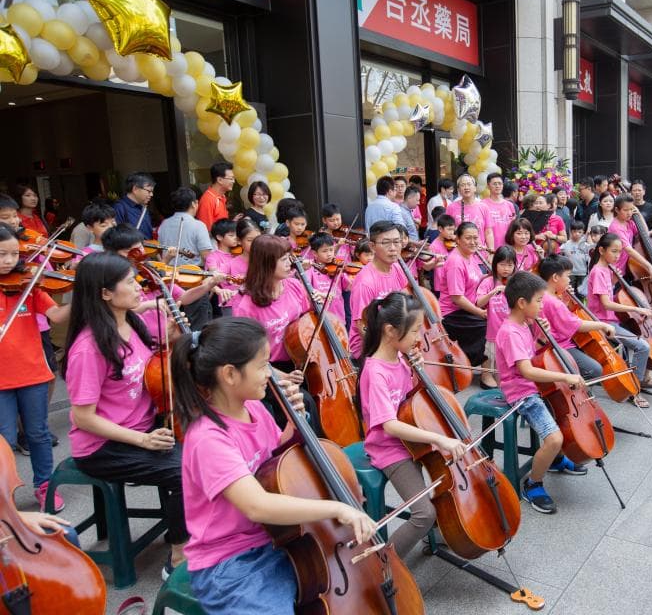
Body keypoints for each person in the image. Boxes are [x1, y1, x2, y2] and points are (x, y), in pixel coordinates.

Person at [171, 317, 375, 614]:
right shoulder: (208, 438)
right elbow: (257, 505)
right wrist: (337, 508)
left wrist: (294, 425)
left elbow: (273, 461)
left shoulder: (252, 407)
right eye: (262, 365)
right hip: (233, 563)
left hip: (277, 536)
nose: (271, 373)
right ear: (230, 374)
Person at [63, 252, 187, 577]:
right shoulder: (88, 349)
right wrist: (143, 440)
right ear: (105, 293)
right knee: (186, 470)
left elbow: (150, 371)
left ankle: (196, 531)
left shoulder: (131, 322)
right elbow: (83, 418)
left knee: (209, 449)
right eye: (130, 282)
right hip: (103, 447)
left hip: (142, 428)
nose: (138, 287)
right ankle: (178, 558)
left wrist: (173, 341)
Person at [358, 292, 465, 555]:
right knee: (423, 513)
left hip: (410, 442)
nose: (419, 337)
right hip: (389, 449)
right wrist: (438, 438)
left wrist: (418, 372)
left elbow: (409, 404)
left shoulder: (400, 358)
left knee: (444, 490)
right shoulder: (375, 371)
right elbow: (390, 425)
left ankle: (446, 529)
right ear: (391, 331)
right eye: (416, 330)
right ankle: (386, 565)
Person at [496, 272, 589, 514]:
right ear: (522, 303)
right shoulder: (510, 331)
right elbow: (526, 370)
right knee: (555, 438)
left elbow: (531, 355)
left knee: (562, 417)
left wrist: (539, 338)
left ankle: (555, 460)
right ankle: (532, 484)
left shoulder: (525, 325)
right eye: (539, 300)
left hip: (533, 387)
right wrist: (564, 376)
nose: (542, 305)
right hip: (522, 394)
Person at [0, 223, 71, 510]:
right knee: (3, 440)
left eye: (14, 254)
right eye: (2, 254)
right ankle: (6, 493)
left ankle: (44, 485)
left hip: (32, 374)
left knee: (38, 433)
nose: (9, 260)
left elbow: (56, 314)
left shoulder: (28, 286)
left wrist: (84, 295)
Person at [229, 235, 321, 432]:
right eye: (283, 259)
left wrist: (319, 304)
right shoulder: (246, 306)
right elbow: (250, 358)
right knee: (303, 402)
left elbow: (307, 321)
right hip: (268, 369)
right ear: (266, 264)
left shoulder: (294, 285)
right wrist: (283, 376)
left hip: (300, 359)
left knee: (318, 397)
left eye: (289, 257)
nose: (290, 263)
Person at [538, 254, 640, 402]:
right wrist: (603, 325)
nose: (569, 280)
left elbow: (560, 317)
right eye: (567, 276)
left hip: (559, 342)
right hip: (559, 346)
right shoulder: (553, 301)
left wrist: (566, 300)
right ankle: (573, 393)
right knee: (595, 369)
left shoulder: (547, 295)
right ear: (555, 278)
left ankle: (580, 392)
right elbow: (576, 324)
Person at [586, 233, 652, 405]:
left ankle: (639, 378)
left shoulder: (606, 270)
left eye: (619, 252)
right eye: (614, 252)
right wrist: (636, 308)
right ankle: (634, 389)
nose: (617, 256)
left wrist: (615, 278)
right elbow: (606, 304)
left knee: (640, 341)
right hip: (603, 323)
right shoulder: (599, 272)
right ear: (601, 250)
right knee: (642, 346)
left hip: (611, 320)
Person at [347, 221, 409, 358]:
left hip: (394, 339)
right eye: (386, 243)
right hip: (370, 348)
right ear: (372, 246)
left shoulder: (398, 269)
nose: (393, 248)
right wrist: (393, 348)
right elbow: (362, 326)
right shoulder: (365, 282)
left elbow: (406, 302)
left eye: (397, 242)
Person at [158, 187, 218, 328]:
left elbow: (162, 253)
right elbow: (207, 256)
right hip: (193, 278)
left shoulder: (164, 225)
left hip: (170, 280)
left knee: (179, 324)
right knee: (200, 323)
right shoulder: (198, 225)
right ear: (194, 203)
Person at [438, 222, 488, 366]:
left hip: (470, 305)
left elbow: (474, 279)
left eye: (475, 238)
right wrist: (480, 312)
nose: (473, 242)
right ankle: (481, 367)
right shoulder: (456, 262)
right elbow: (457, 298)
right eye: (468, 238)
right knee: (488, 325)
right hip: (454, 312)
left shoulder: (470, 256)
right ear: (458, 240)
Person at [476, 246, 516, 389]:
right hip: (493, 329)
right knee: (491, 356)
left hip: (510, 330)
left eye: (510, 265)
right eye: (502, 264)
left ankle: (502, 383)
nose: (506, 269)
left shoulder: (515, 283)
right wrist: (493, 291)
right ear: (495, 265)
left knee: (504, 363)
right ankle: (486, 376)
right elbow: (479, 303)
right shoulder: (488, 282)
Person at [606, 195, 652, 278]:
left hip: (626, 267)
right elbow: (629, 250)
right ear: (617, 210)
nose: (629, 213)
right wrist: (649, 267)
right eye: (625, 210)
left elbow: (645, 234)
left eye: (631, 209)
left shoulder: (629, 222)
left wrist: (639, 214)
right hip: (616, 270)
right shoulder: (616, 228)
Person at [305, 232, 350, 324]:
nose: (329, 254)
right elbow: (306, 293)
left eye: (331, 250)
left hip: (339, 315)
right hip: (320, 316)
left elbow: (348, 286)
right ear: (314, 253)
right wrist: (323, 294)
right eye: (325, 251)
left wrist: (347, 273)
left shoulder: (337, 268)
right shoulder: (310, 270)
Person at [445, 174, 493, 252]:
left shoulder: (484, 207)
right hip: (459, 254)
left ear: (475, 188)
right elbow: (446, 231)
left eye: (469, 184)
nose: (466, 187)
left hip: (480, 255)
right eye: (463, 185)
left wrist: (491, 252)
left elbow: (488, 232)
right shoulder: (451, 208)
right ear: (459, 189)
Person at [207, 219, 241, 315]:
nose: (236, 238)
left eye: (237, 235)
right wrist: (219, 290)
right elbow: (212, 277)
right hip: (228, 301)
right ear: (219, 237)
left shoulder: (240, 253)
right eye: (231, 235)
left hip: (245, 299)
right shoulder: (213, 257)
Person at [113, 172, 156, 239]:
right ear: (135, 189)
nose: (151, 195)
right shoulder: (119, 208)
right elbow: (117, 237)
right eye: (149, 191)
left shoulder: (143, 206)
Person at [197, 162, 234, 231]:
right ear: (219, 180)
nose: (233, 181)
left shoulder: (222, 196)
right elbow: (207, 231)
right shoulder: (208, 200)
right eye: (231, 179)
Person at [483, 173, 516, 248]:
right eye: (494, 184)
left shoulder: (510, 205)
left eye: (500, 183)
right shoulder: (482, 205)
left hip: (508, 248)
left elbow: (514, 227)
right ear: (488, 186)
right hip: (490, 248)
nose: (497, 186)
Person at [560, 221, 590, 294]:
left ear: (583, 232)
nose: (577, 234)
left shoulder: (586, 245)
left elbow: (589, 259)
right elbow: (559, 253)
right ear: (570, 231)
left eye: (579, 232)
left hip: (582, 272)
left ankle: (580, 305)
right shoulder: (566, 244)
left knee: (581, 293)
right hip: (570, 273)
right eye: (574, 231)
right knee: (570, 292)